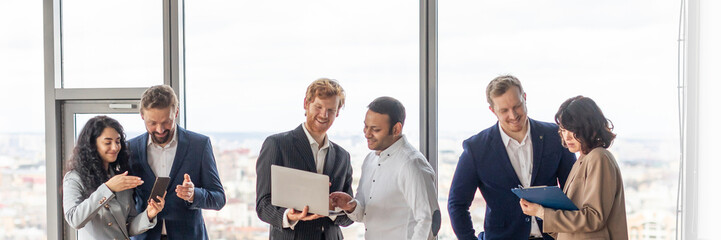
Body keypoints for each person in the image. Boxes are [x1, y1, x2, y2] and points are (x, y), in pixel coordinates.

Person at [447, 75, 577, 240]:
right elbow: (457, 204)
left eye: (517, 106)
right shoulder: (476, 148)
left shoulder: (555, 136)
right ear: (492, 110)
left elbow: (574, 192)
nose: (513, 115)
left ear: (524, 98)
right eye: (504, 110)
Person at [330, 96, 441, 240]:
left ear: (396, 129)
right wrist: (350, 205)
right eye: (366, 126)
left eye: (375, 129)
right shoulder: (369, 160)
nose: (367, 134)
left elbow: (430, 220)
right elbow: (364, 213)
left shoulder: (412, 164)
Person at [256, 78, 354, 240]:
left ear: (337, 112)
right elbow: (263, 205)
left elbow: (346, 218)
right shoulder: (277, 145)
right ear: (306, 104)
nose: (324, 114)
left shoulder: (343, 156)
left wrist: (340, 208)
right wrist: (290, 215)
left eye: (331, 109)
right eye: (319, 107)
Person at [519, 95, 628, 239]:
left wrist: (542, 212)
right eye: (563, 130)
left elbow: (593, 218)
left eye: (572, 130)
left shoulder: (599, 158)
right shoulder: (583, 160)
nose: (567, 137)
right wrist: (542, 211)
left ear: (590, 127)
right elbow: (574, 226)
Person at [127, 85, 226, 240]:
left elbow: (218, 199)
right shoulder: (130, 149)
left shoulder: (199, 145)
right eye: (152, 123)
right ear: (142, 116)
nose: (159, 129)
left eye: (166, 122)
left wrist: (194, 195)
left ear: (176, 113)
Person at [63, 116, 166, 239]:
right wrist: (108, 188)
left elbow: (127, 227)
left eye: (117, 141)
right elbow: (74, 220)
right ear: (92, 145)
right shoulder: (74, 178)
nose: (115, 147)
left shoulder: (120, 177)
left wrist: (149, 214)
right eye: (108, 142)